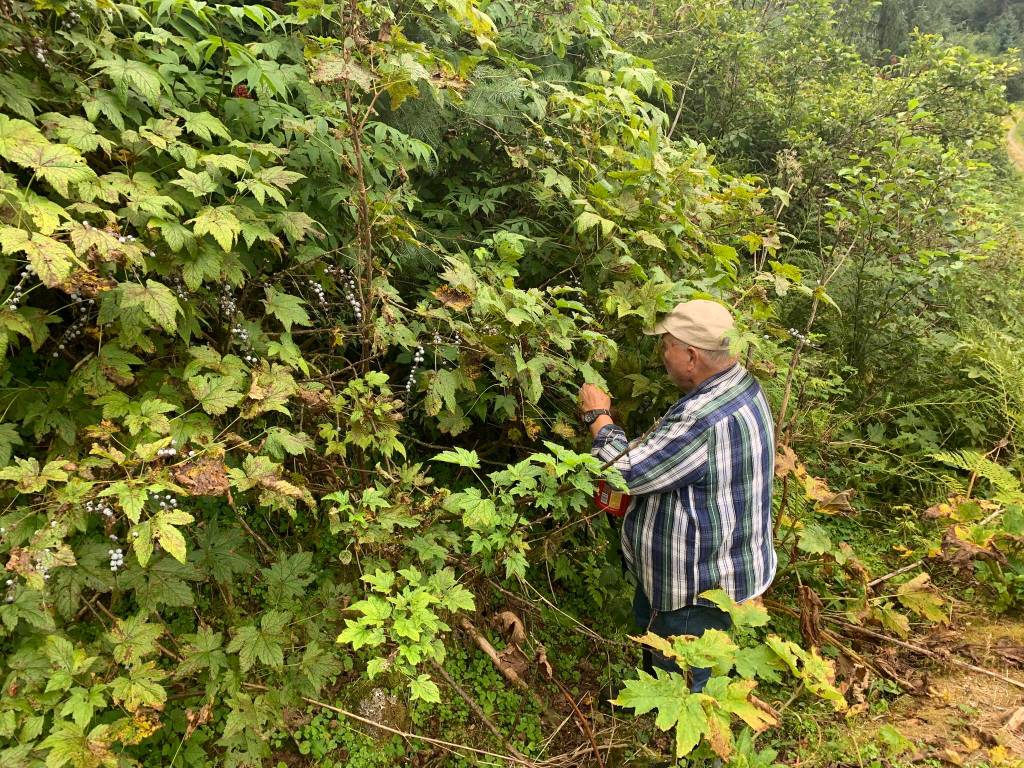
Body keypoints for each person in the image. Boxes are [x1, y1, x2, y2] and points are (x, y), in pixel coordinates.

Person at [579, 299, 777, 692]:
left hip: (694, 586)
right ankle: (653, 693)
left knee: (687, 680)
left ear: (690, 356)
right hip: (727, 566)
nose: (661, 353)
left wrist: (597, 417)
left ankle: (685, 741)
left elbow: (624, 470)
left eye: (666, 344)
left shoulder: (703, 418)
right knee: (666, 651)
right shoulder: (742, 385)